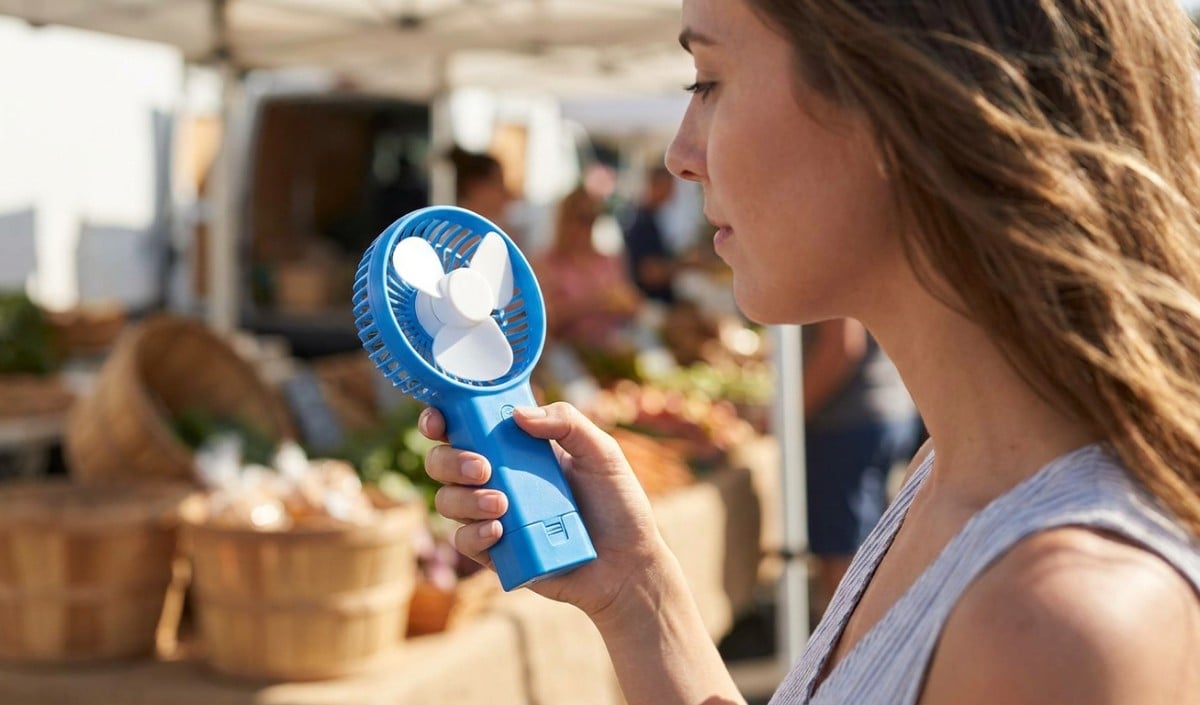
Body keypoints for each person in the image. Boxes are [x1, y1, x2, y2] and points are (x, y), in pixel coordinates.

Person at [419, 1, 1200, 704]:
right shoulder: (958, 475)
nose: (679, 154)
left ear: (898, 107)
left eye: (709, 80)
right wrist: (637, 591)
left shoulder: (1060, 620)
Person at [802, 318, 921, 611]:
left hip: (850, 421)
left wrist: (788, 415)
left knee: (845, 553)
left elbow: (842, 347)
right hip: (884, 409)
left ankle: (857, 646)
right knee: (874, 545)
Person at [534, 186, 642, 348]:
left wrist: (625, 305)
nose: (586, 226)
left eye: (592, 218)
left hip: (608, 352)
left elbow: (634, 307)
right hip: (567, 354)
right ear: (564, 218)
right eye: (581, 218)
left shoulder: (609, 261)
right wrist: (594, 301)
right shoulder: (546, 262)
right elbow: (543, 319)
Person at [623, 165, 681, 305]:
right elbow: (649, 273)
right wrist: (687, 265)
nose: (674, 191)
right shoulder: (642, 221)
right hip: (651, 304)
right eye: (669, 185)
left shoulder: (649, 217)